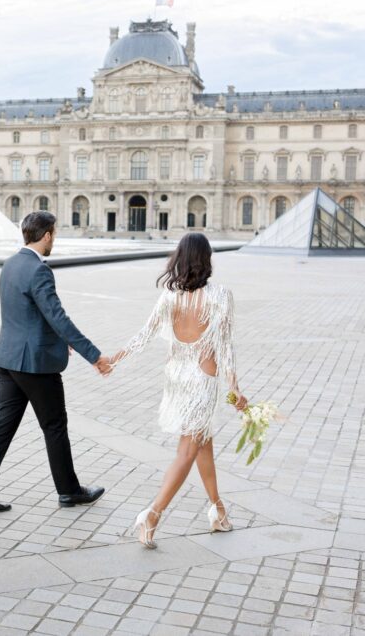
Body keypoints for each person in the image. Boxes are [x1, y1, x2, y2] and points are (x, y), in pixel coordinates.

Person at [0, 211, 111, 513]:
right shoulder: (39, 270)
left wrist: (58, 340)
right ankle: (69, 491)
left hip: (7, 358)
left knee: (1, 427)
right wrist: (93, 355)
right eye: (54, 234)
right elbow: (57, 316)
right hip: (35, 364)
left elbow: (28, 313)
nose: (54, 240)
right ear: (46, 235)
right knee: (55, 425)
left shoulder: (9, 264)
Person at [110, 233, 247, 548]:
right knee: (187, 450)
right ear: (206, 259)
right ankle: (152, 514)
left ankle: (218, 510)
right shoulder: (220, 295)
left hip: (176, 379)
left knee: (203, 443)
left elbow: (143, 335)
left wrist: (114, 359)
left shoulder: (170, 297)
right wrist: (235, 388)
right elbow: (225, 348)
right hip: (201, 381)